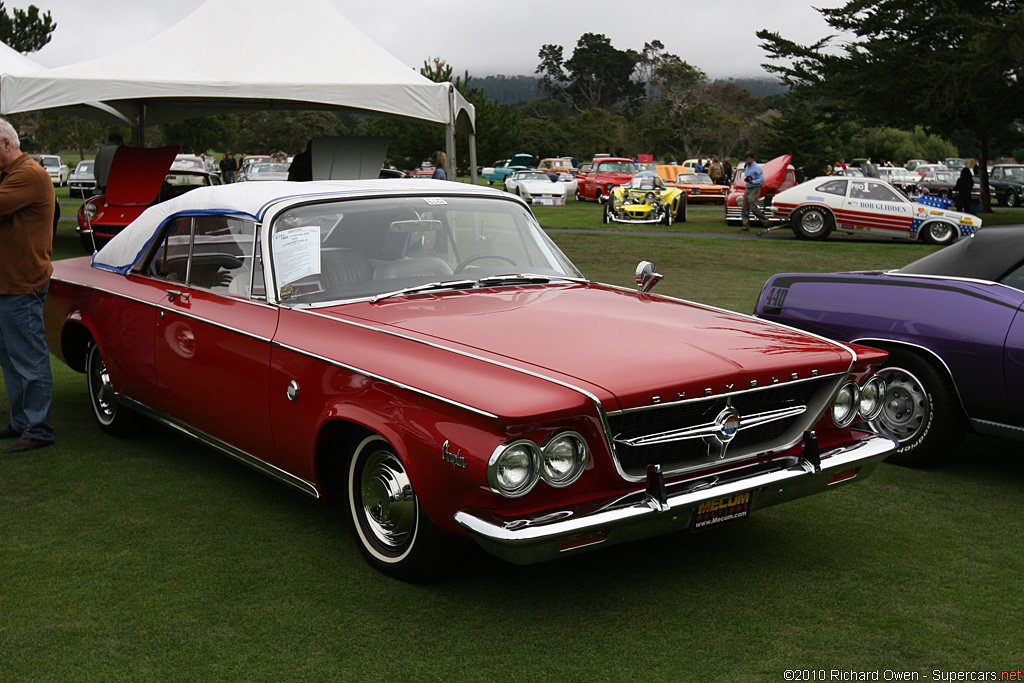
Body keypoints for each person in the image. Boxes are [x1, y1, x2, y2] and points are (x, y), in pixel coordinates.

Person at [0, 118, 56, 452]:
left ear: (6, 144)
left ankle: (38, 429)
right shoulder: (12, 175)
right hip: (9, 283)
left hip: (22, 284)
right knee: (11, 358)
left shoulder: (27, 175)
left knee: (29, 358)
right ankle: (22, 421)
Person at [740, 150, 771, 232]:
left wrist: (753, 181)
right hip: (748, 188)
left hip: (755, 188)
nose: (748, 161)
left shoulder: (757, 168)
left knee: (753, 207)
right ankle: (745, 226)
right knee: (744, 207)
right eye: (747, 159)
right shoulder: (746, 166)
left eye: (750, 159)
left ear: (753, 159)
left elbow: (761, 179)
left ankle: (766, 222)